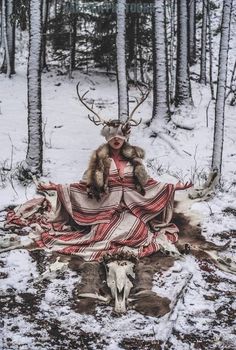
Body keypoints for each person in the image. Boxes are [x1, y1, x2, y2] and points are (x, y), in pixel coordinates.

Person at [5, 120, 192, 261]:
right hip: (105, 210)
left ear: (125, 138)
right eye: (112, 137)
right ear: (108, 139)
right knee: (101, 234)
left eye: (120, 136)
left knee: (140, 234)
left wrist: (174, 187)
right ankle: (106, 248)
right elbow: (83, 186)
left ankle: (120, 249)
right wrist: (55, 187)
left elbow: (150, 184)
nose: (116, 140)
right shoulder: (100, 162)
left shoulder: (134, 162)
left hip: (129, 210)